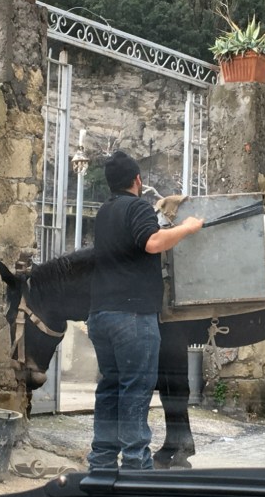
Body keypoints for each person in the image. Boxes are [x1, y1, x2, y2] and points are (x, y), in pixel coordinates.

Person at [87, 150, 203, 470]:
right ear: (137, 180)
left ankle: (102, 462)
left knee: (110, 389)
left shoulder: (104, 212)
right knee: (136, 391)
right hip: (133, 318)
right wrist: (188, 229)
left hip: (101, 316)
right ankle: (137, 467)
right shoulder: (137, 206)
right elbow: (151, 242)